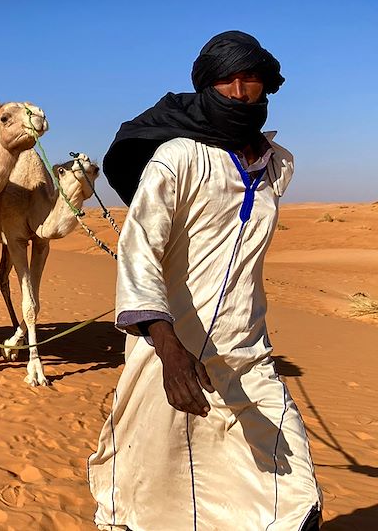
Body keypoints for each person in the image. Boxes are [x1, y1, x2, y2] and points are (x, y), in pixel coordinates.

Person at [87, 31, 322, 530]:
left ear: (267, 87)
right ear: (205, 88)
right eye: (225, 81)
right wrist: (168, 348)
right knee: (149, 489)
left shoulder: (278, 166)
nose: (238, 93)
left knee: (294, 496)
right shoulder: (177, 158)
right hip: (168, 354)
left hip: (246, 355)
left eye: (250, 80)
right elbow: (139, 249)